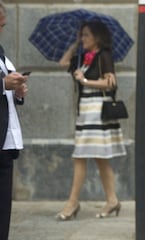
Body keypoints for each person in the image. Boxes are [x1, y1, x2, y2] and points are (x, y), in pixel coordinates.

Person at [56, 21, 126, 220]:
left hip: (97, 113)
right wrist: (75, 44)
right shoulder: (82, 59)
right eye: (82, 35)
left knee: (80, 156)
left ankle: (72, 202)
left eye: (86, 35)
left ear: (97, 36)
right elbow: (63, 63)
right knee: (99, 158)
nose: (84, 38)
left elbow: (111, 82)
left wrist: (84, 80)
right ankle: (112, 200)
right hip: (86, 113)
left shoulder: (103, 55)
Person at [0, 1, 29, 239]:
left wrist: (17, 91)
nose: (2, 29)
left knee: (3, 210)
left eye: (3, 25)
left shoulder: (3, 55)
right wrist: (2, 84)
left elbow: (8, 95)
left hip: (6, 142)